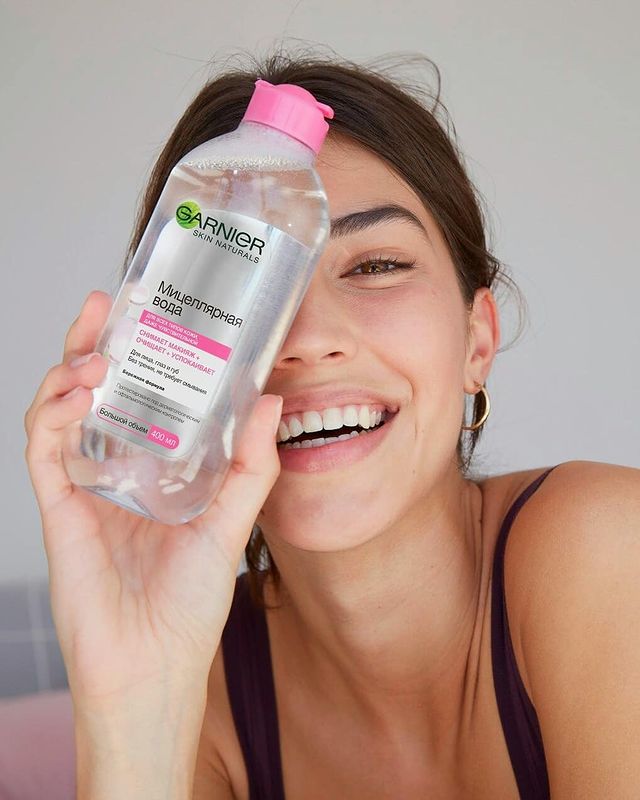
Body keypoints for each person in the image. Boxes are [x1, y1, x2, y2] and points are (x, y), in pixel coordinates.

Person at [23, 47, 640, 799]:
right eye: (246, 279)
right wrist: (131, 702)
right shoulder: (201, 686)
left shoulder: (607, 550)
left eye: (375, 266)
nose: (308, 339)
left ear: (477, 341)